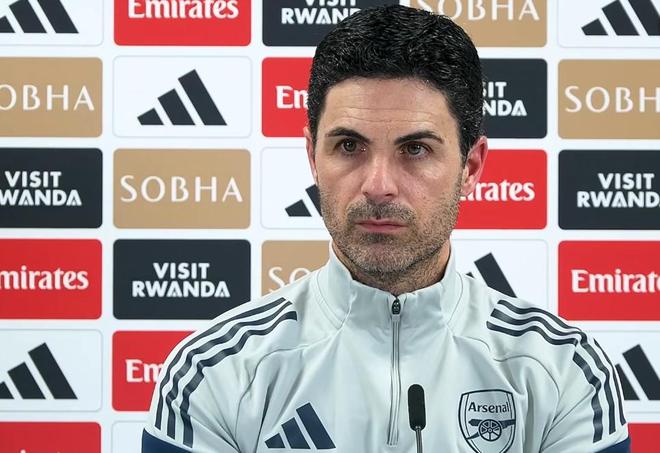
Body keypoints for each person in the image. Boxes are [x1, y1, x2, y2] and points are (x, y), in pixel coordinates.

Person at [142, 5, 630, 452]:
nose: (378, 186)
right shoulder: (215, 373)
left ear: (471, 166)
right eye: (349, 147)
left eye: (415, 149)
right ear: (312, 156)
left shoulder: (563, 370)